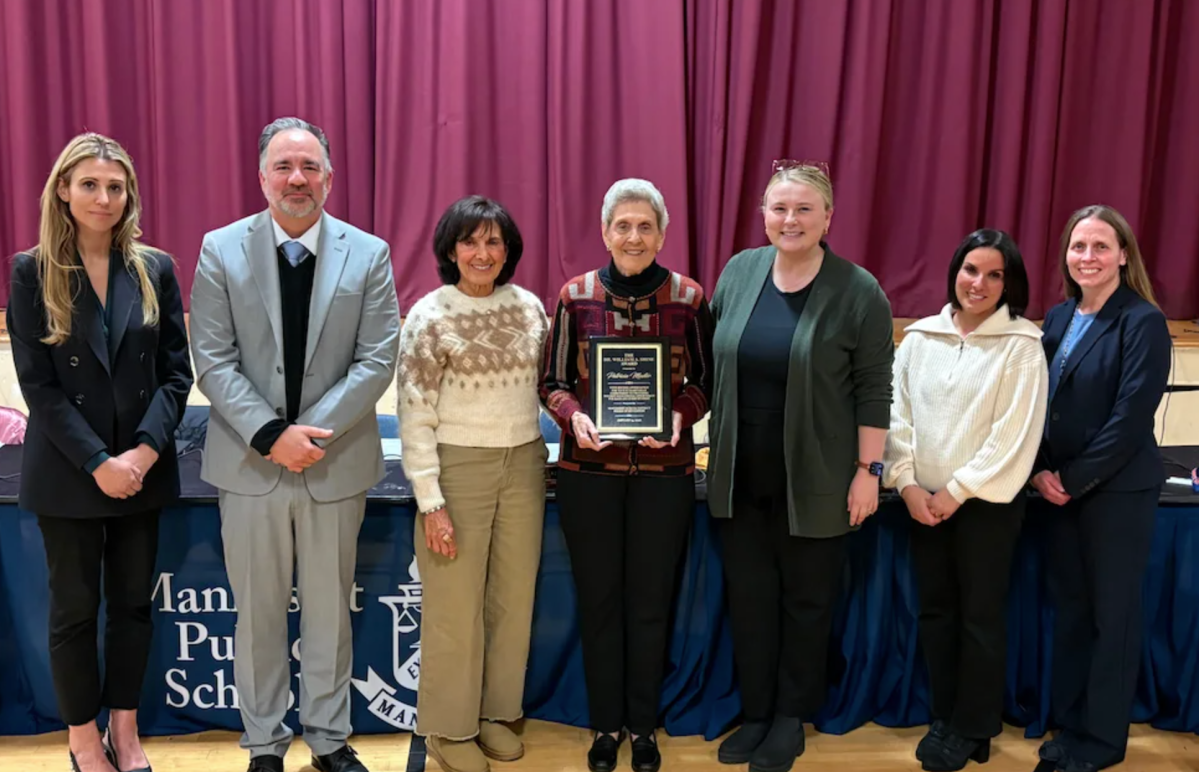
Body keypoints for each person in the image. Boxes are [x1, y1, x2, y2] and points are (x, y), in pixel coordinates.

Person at [189, 117, 400, 772]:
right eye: (283, 167)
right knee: (256, 617)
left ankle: (329, 739)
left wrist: (309, 436)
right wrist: (271, 436)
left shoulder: (370, 254)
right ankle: (264, 745)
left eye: (309, 167)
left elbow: (376, 359)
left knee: (330, 614)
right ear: (262, 178)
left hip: (333, 463)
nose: (296, 179)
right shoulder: (219, 250)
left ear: (329, 179)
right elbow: (213, 359)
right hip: (250, 465)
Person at [7, 132, 192, 772]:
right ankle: (83, 739)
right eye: (89, 184)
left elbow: (175, 376)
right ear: (63, 190)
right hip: (70, 472)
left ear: (129, 196)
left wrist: (140, 454)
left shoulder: (156, 268)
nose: (104, 197)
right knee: (76, 612)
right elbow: (40, 386)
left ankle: (126, 729)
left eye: (115, 187)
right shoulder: (31, 271)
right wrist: (98, 463)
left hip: (143, 470)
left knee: (134, 607)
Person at [706, 162, 893, 772]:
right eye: (779, 208)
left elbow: (873, 389)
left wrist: (870, 471)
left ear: (828, 217)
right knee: (751, 599)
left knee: (807, 603)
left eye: (804, 209)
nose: (790, 220)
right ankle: (757, 711)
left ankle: (791, 718)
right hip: (740, 473)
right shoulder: (739, 271)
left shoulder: (859, 290)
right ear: (764, 213)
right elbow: (709, 364)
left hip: (815, 478)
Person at [540, 178, 714, 772]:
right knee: (600, 602)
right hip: (588, 473)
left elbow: (705, 382)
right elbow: (553, 382)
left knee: (650, 603)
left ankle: (644, 728)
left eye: (645, 226)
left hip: (663, 475)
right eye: (623, 225)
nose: (634, 236)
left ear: (662, 234)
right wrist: (575, 417)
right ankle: (604, 726)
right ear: (605, 232)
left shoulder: (688, 298)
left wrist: (679, 415)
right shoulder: (574, 296)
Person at [883, 229, 1048, 771]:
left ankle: (975, 725)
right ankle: (948, 715)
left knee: (979, 616)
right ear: (955, 270)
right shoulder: (920, 337)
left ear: (1010, 283)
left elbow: (1013, 436)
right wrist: (907, 484)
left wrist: (954, 493)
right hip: (920, 502)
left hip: (984, 507)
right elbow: (896, 415)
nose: (979, 283)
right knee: (935, 612)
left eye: (994, 274)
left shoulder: (1022, 345)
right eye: (971, 269)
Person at [398, 196, 549, 772]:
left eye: (493, 242)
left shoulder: (531, 308)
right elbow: (415, 412)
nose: (482, 253)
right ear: (450, 250)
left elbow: (552, 386)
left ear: (508, 250)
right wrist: (430, 499)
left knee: (512, 598)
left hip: (525, 462)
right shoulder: (429, 315)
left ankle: (495, 713)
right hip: (457, 468)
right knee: (454, 606)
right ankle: (447, 727)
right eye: (470, 241)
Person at [1032, 205, 1171, 772]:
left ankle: (1101, 741)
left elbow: (1131, 417)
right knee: (1071, 611)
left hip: (1114, 493)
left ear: (1122, 255)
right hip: (1057, 491)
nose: (1087, 257)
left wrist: (1073, 477)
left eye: (1099, 246)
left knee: (1110, 618)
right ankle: (1070, 725)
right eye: (1078, 246)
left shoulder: (1141, 321)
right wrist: (1042, 469)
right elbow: (1039, 404)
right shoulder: (1059, 318)